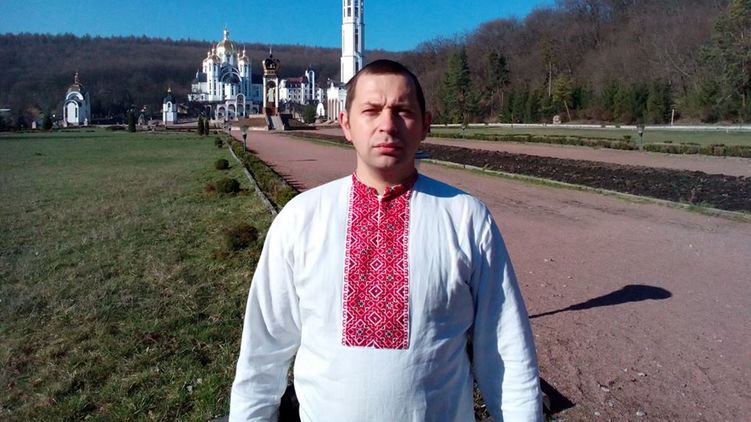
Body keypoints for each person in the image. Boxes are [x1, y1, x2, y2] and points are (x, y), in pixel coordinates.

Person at [230, 59, 541, 421]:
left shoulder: (466, 219)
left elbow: (506, 350)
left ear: (425, 125)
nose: (387, 125)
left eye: (403, 111)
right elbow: (263, 351)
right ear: (346, 124)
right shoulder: (302, 218)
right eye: (371, 110)